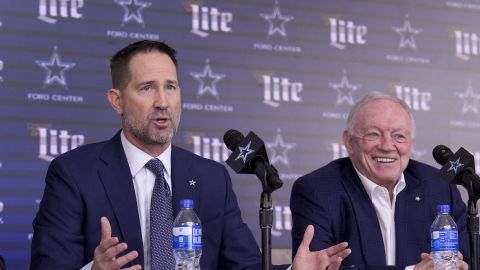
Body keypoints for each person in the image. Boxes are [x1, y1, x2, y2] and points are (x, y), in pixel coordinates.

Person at [30, 40, 351, 270]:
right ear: (117, 101)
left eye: (171, 87)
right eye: (147, 88)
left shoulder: (212, 178)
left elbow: (244, 265)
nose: (163, 101)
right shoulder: (74, 173)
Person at [290, 92, 470, 270]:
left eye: (399, 136)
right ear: (349, 142)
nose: (387, 146)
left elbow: (470, 257)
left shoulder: (438, 187)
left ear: (411, 143)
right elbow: (316, 267)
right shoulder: (317, 190)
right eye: (374, 134)